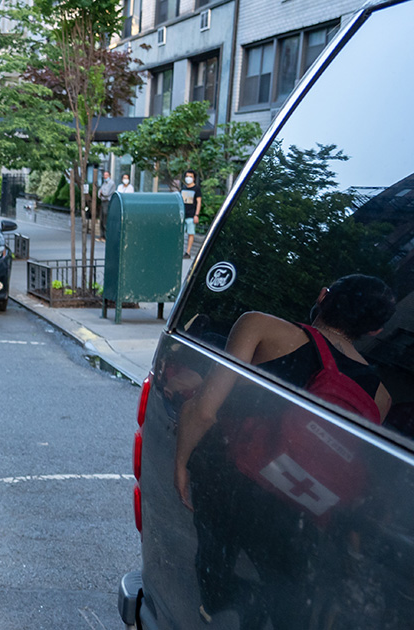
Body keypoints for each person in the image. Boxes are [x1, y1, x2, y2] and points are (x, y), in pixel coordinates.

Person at [174, 275, 395, 627]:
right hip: (298, 509)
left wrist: (182, 462)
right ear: (374, 331)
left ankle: (233, 603)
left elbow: (204, 410)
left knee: (214, 568)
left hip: (230, 482)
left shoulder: (261, 326)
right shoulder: (381, 398)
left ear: (323, 296)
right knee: (279, 590)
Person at [180, 169, 202, 259]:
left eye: (191, 177)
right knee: (180, 233)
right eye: (187, 176)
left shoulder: (196, 189)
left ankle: (188, 252)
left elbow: (199, 202)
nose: (188, 178)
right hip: (182, 214)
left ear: (194, 178)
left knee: (190, 233)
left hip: (191, 215)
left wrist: (196, 215)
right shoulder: (183, 188)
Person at [97, 169, 115, 241]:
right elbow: (99, 192)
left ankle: (105, 236)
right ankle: (101, 235)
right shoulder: (104, 183)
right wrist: (101, 193)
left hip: (107, 202)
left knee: (105, 218)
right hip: (103, 201)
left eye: (106, 175)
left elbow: (106, 193)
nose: (105, 176)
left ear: (109, 176)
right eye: (104, 175)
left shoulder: (111, 183)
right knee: (101, 218)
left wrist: (102, 193)